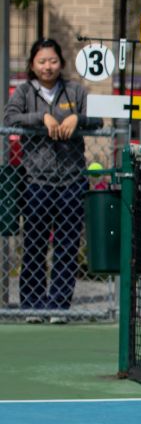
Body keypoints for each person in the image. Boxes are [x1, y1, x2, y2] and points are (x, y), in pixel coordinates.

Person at [4, 38, 102, 324]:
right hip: (36, 181)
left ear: (61, 62)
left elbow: (97, 120)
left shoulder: (75, 91)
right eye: (42, 61)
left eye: (53, 61)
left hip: (72, 180)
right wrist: (42, 118)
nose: (48, 66)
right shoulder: (24, 91)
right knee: (34, 244)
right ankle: (33, 306)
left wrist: (77, 119)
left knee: (67, 245)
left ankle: (58, 306)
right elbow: (10, 116)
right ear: (32, 64)